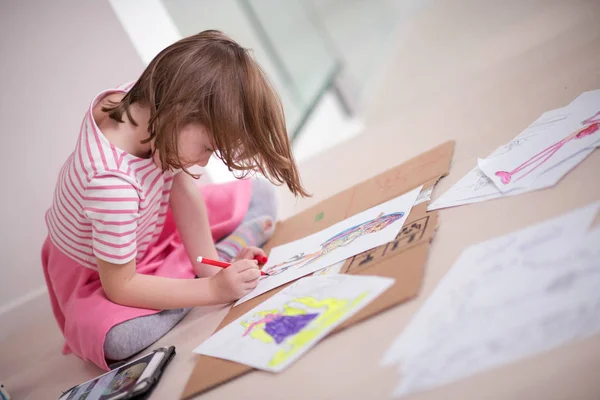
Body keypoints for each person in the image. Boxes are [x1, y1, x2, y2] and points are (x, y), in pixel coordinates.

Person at [41, 30, 308, 370]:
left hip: (147, 223)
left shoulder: (149, 105)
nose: (204, 162)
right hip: (103, 274)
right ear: (179, 114)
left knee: (261, 193)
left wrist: (210, 265)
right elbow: (121, 287)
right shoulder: (111, 183)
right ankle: (195, 284)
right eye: (208, 149)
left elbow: (180, 188)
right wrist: (213, 292)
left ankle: (202, 271)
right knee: (116, 339)